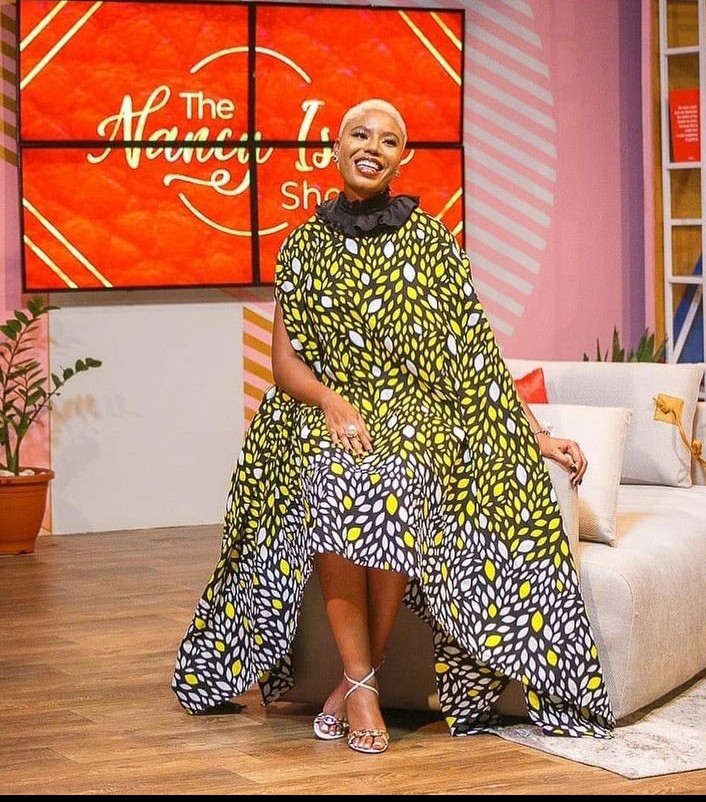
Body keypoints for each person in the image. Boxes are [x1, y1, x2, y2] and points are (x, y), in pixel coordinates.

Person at [172, 98, 615, 755]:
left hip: (414, 409)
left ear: (401, 159)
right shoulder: (301, 247)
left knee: (399, 478)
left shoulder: (431, 241)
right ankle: (362, 684)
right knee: (331, 479)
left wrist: (533, 432)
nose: (372, 147)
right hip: (322, 408)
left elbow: (474, 350)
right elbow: (285, 364)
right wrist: (330, 401)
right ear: (334, 147)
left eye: (388, 140)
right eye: (360, 134)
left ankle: (357, 683)